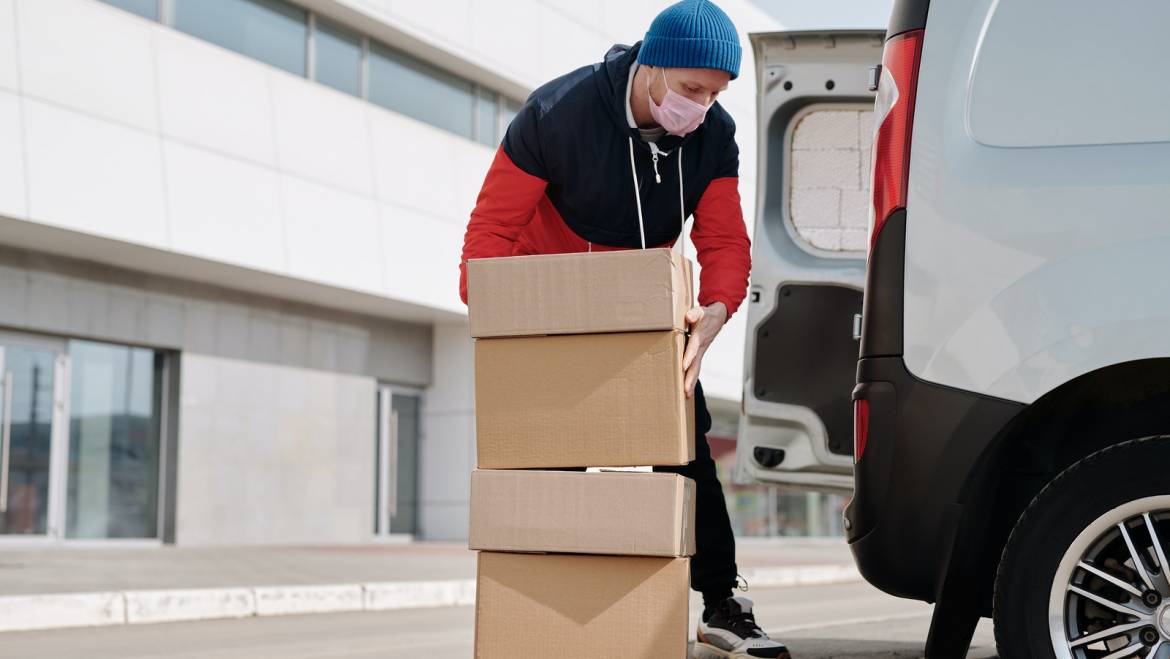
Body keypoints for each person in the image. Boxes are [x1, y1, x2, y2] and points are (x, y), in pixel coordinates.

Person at [458, 1, 789, 657]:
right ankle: (545, 610)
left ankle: (722, 602)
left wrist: (716, 309)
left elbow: (726, 242)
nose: (701, 105)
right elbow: (488, 236)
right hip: (552, 313)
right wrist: (504, 327)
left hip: (643, 313)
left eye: (715, 93)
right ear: (652, 67)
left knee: (688, 456)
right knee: (550, 469)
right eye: (692, 89)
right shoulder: (557, 115)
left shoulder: (712, 136)